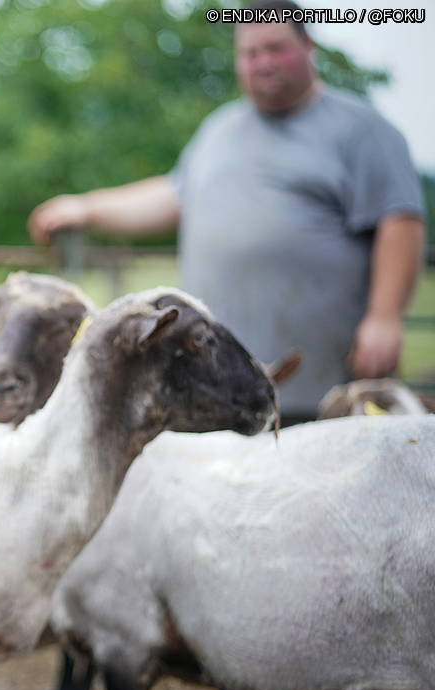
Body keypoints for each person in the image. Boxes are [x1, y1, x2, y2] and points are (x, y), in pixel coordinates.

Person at [29, 0, 426, 423]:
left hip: (323, 385)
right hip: (218, 384)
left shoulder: (362, 129)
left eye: (275, 48)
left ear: (309, 45)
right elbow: (172, 197)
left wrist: (385, 318)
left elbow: (399, 221)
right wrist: (85, 208)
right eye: (250, 53)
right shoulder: (219, 129)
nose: (263, 63)